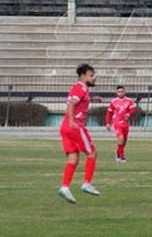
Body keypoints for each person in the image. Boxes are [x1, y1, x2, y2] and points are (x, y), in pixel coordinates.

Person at [58, 64, 102, 204]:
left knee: (73, 158)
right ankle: (87, 183)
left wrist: (93, 99)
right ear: (83, 75)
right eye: (91, 75)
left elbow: (78, 101)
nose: (94, 78)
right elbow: (71, 104)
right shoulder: (81, 88)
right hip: (75, 126)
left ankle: (65, 187)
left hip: (65, 127)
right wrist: (72, 121)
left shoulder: (81, 89)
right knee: (92, 153)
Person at [105, 85, 136, 162]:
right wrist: (108, 123)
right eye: (119, 92)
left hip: (125, 123)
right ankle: (121, 156)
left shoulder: (129, 101)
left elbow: (133, 109)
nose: (120, 93)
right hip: (117, 122)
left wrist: (129, 113)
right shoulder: (113, 102)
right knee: (121, 138)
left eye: (122, 91)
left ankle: (118, 151)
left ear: (124, 92)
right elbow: (109, 113)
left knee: (124, 140)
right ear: (117, 92)